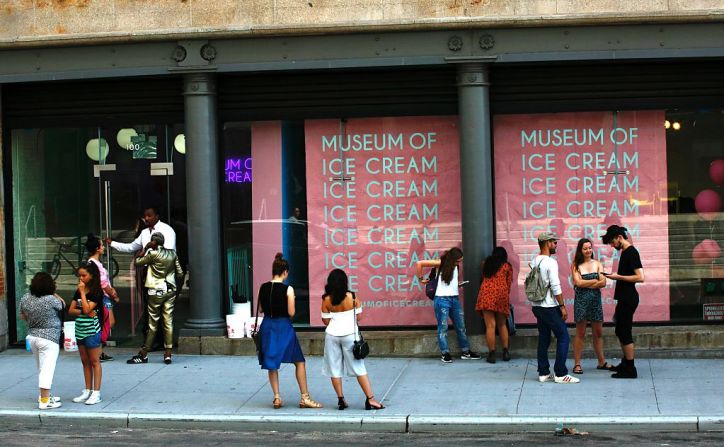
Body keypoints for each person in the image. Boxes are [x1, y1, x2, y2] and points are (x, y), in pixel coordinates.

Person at [257, 253, 322, 409]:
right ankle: (305, 397)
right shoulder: (288, 289)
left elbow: (260, 309)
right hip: (283, 327)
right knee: (299, 361)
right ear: (285, 272)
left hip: (267, 326)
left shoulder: (263, 287)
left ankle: (277, 397)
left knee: (271, 363)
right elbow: (291, 312)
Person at [321, 269, 385, 411]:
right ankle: (371, 399)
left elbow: (325, 321)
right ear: (345, 282)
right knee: (359, 368)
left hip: (332, 335)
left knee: (334, 368)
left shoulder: (326, 299)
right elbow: (359, 317)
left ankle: (341, 399)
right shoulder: (353, 297)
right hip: (351, 335)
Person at [415, 247, 482, 363]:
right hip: (442, 299)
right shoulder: (440, 263)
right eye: (457, 260)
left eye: (460, 261)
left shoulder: (455, 266)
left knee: (461, 326)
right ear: (452, 258)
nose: (459, 263)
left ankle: (466, 351)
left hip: (454, 298)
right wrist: (421, 279)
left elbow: (448, 282)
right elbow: (419, 263)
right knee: (443, 327)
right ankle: (445, 353)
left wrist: (458, 284)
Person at [126, 232, 184, 365]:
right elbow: (180, 273)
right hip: (170, 290)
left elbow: (137, 262)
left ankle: (144, 353)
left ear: (153, 242)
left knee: (153, 324)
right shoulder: (172, 254)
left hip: (155, 291)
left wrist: (145, 248)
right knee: (168, 322)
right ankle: (168, 353)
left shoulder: (152, 254)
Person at [531, 232, 579, 384]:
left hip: (537, 306)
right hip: (549, 306)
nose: (556, 245)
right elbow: (556, 287)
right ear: (547, 243)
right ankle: (560, 373)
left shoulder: (535, 260)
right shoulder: (550, 262)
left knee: (544, 338)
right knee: (563, 336)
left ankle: (543, 373)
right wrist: (563, 306)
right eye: (554, 242)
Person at [601, 224, 645, 379]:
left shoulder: (631, 252)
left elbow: (640, 277)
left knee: (625, 331)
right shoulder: (625, 252)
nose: (612, 246)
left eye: (612, 242)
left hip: (629, 298)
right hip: (624, 298)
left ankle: (630, 368)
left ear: (619, 237)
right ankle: (626, 362)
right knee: (619, 330)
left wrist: (618, 277)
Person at [19, 272, 66, 410]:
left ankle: (43, 395)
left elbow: (22, 315)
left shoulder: (26, 298)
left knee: (41, 367)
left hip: (32, 337)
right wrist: (54, 293)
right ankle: (45, 401)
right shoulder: (50, 299)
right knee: (47, 369)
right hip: (49, 339)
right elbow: (62, 305)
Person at [570, 238, 615, 374]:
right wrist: (595, 280)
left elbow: (603, 282)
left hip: (595, 301)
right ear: (580, 250)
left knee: (598, 333)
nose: (588, 250)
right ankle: (577, 364)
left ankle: (601, 362)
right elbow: (578, 283)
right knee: (581, 333)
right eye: (585, 248)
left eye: (590, 248)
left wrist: (587, 282)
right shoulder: (575, 265)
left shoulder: (598, 264)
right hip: (581, 302)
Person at [68, 261, 105, 405]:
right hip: (80, 329)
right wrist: (85, 310)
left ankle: (96, 392)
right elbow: (72, 309)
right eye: (79, 276)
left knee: (95, 361)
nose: (81, 279)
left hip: (92, 331)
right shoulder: (78, 290)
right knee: (85, 361)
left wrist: (83, 294)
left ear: (92, 276)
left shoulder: (96, 292)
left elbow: (89, 308)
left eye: (84, 275)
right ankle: (87, 389)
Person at [85, 234, 120, 362]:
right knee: (107, 323)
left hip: (101, 297)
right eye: (101, 245)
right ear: (97, 248)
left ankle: (98, 352)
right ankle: (96, 352)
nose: (104, 247)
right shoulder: (94, 264)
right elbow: (103, 284)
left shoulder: (93, 263)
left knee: (104, 323)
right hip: (102, 297)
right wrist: (113, 295)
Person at [475, 246, 513, 363]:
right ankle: (505, 352)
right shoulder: (507, 266)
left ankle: (491, 354)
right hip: (501, 295)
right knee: (502, 325)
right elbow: (508, 284)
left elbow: (483, 278)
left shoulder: (485, 264)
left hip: (486, 295)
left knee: (490, 326)